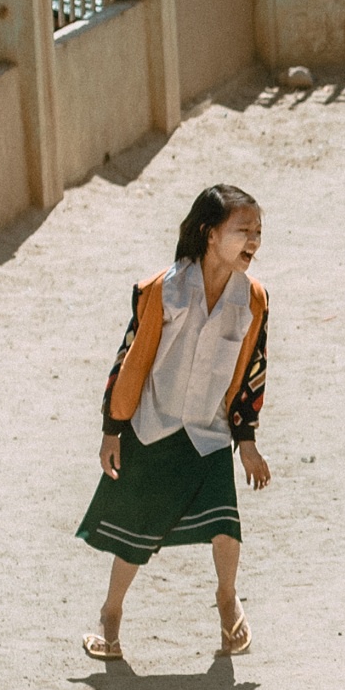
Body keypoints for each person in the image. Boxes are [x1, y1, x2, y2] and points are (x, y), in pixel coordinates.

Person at [79, 184, 274, 662]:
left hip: (208, 434)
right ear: (209, 234)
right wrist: (113, 428)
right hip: (153, 427)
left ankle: (228, 604)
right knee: (133, 535)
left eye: (258, 232)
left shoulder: (253, 300)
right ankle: (111, 615)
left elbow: (252, 369)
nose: (253, 240)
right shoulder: (161, 291)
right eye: (242, 230)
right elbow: (131, 360)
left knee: (226, 526)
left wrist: (246, 441)